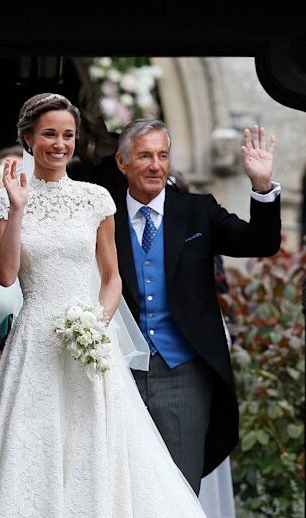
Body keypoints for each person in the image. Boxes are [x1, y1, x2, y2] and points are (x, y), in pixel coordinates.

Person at [0, 93, 285, 518]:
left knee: (136, 477)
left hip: (120, 354)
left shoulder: (137, 204)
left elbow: (118, 275)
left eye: (68, 135)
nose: (59, 144)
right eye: (49, 134)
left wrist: (97, 324)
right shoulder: (29, 201)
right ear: (30, 138)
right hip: (39, 348)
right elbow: (4, 277)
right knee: (39, 466)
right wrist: (19, 206)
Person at [113, 118, 281, 494]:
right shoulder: (103, 214)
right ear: (122, 163)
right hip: (119, 372)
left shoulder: (198, 211)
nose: (156, 165)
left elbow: (260, 242)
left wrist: (261, 185)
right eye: (144, 156)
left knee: (179, 494)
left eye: (163, 156)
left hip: (183, 373)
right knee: (120, 492)